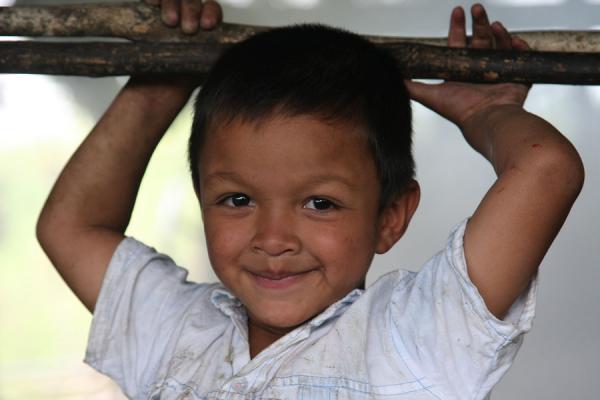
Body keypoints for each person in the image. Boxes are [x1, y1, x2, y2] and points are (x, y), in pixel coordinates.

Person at [36, 0, 584, 398]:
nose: (273, 240)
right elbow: (71, 228)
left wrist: (488, 115)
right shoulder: (179, 331)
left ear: (389, 217)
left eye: (320, 203)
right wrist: (163, 77)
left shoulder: (416, 336)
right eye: (237, 199)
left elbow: (545, 168)